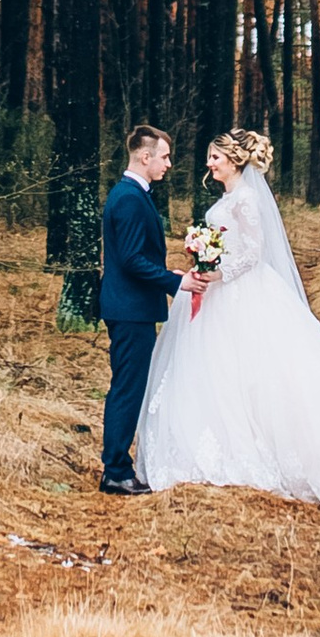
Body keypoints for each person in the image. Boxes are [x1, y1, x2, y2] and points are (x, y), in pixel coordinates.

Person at [133, 128, 320, 515]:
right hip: (215, 291)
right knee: (209, 370)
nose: (209, 164)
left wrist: (219, 272)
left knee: (254, 370)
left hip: (243, 291)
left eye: (215, 157)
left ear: (234, 160)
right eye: (210, 157)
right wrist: (205, 261)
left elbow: (254, 252)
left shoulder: (245, 199)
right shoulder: (227, 197)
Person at [97, 122, 185, 495]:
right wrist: (175, 282)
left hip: (130, 307)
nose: (168, 164)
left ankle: (117, 465)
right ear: (144, 156)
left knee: (128, 386)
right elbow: (133, 259)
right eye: (163, 157)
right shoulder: (130, 198)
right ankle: (116, 470)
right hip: (130, 309)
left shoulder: (131, 193)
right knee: (128, 389)